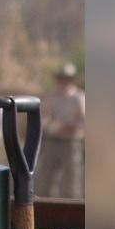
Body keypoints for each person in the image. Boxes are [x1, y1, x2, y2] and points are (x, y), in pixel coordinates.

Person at [35, 62, 85, 199]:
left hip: (70, 143)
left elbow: (84, 120)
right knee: (45, 177)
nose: (64, 81)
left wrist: (70, 126)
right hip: (52, 141)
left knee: (71, 179)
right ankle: (46, 207)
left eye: (67, 78)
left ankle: (73, 211)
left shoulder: (78, 97)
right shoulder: (50, 96)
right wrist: (50, 126)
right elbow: (42, 117)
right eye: (61, 78)